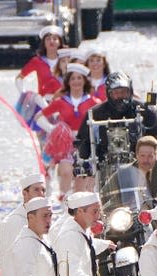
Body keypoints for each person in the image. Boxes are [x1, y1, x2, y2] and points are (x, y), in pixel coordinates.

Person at [35, 63, 101, 200]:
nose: (76, 81)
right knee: (66, 171)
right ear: (68, 82)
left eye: (79, 78)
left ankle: (80, 205)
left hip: (86, 143)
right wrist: (53, 130)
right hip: (66, 145)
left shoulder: (94, 102)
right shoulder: (61, 102)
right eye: (72, 78)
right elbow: (38, 117)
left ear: (84, 81)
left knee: (82, 179)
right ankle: (63, 203)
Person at [76, 71, 157, 166]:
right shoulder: (95, 113)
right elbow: (83, 139)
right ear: (109, 93)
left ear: (130, 92)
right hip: (104, 165)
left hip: (139, 163)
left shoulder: (144, 110)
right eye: (116, 93)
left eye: (123, 92)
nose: (120, 96)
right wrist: (82, 162)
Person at [100, 135, 157, 213]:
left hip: (154, 216)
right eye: (142, 156)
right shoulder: (124, 172)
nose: (146, 160)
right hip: (127, 217)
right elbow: (103, 194)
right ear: (136, 155)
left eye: (150, 156)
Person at [15, 25, 64, 98]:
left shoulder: (66, 59)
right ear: (43, 43)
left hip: (64, 102)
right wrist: (24, 95)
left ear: (60, 42)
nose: (51, 41)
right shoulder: (37, 61)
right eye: (48, 39)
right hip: (43, 102)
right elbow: (19, 78)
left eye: (55, 39)